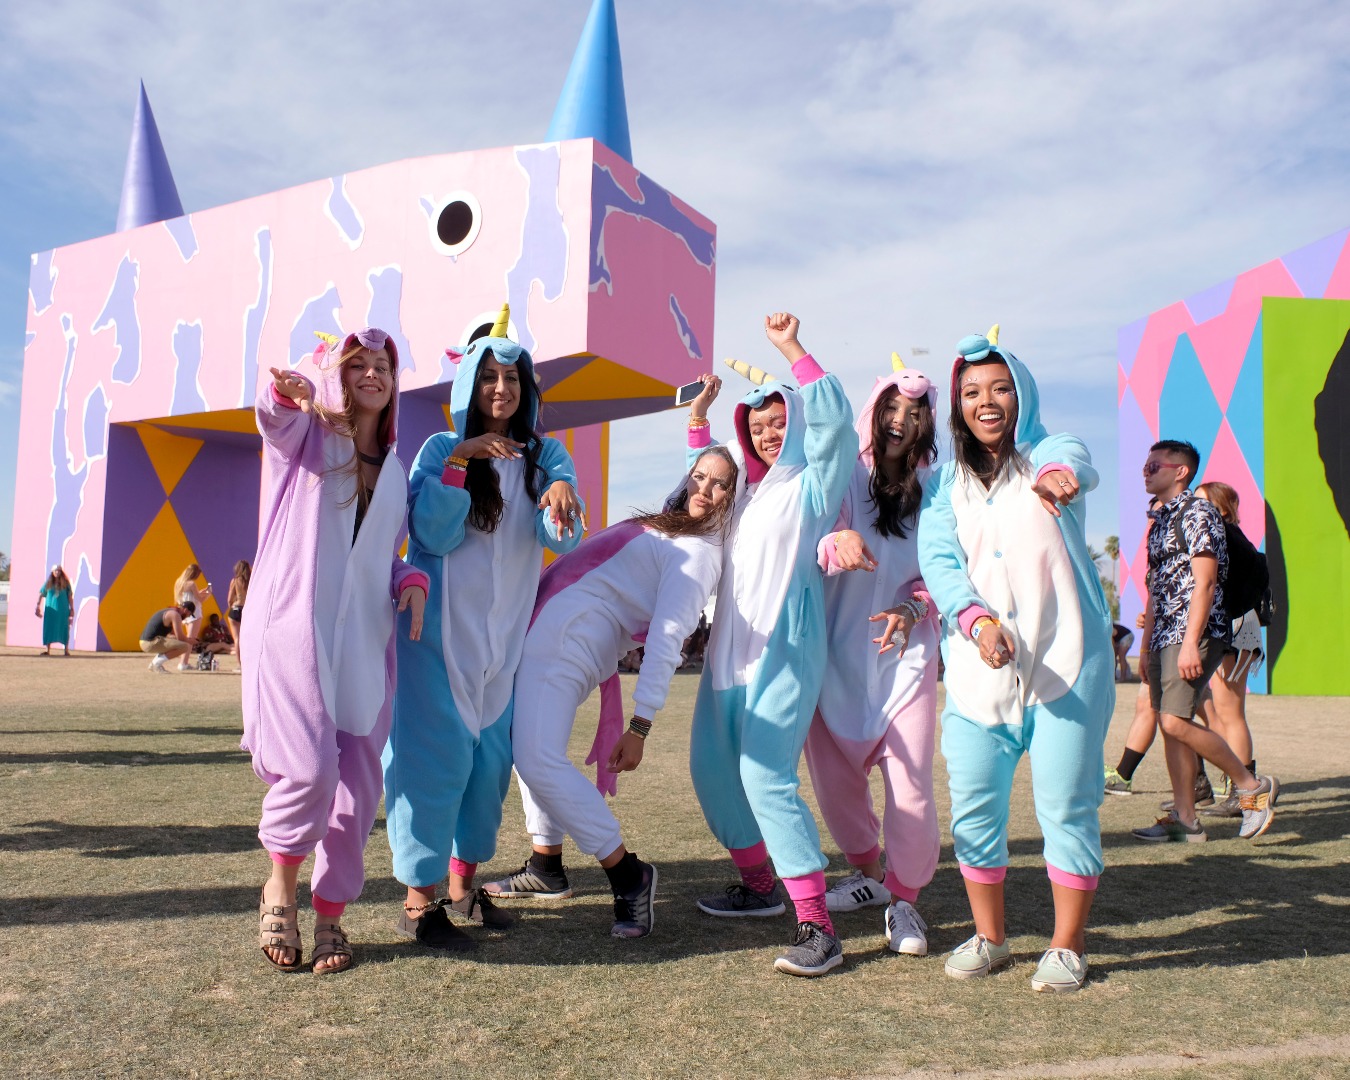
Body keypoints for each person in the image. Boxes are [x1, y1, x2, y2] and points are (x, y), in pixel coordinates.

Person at [918, 326, 1115, 994]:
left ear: (1021, 394)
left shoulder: (1047, 452)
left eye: (1000, 387)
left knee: (1066, 805)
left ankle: (1066, 946)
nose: (987, 399)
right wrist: (974, 621)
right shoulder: (946, 486)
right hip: (979, 674)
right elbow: (940, 564)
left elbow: (1076, 457)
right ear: (958, 405)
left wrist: (1063, 478)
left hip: (1068, 668)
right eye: (972, 391)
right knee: (974, 806)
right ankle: (991, 938)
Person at [383, 306, 584, 952]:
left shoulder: (544, 455)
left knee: (488, 771)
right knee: (432, 765)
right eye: (489, 377)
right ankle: (419, 903)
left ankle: (464, 891)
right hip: (439, 642)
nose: (501, 390)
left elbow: (562, 533)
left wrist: (558, 494)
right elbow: (431, 534)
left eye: (513, 379)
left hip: (503, 650)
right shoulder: (439, 450)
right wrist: (461, 459)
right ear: (469, 383)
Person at [488, 445, 738, 938]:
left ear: (734, 497)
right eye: (699, 476)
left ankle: (628, 874)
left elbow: (669, 637)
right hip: (556, 631)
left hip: (569, 641)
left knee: (537, 757)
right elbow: (697, 472)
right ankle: (546, 862)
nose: (704, 490)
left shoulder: (698, 554)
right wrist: (698, 421)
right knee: (531, 748)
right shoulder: (676, 527)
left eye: (720, 484)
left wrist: (641, 724)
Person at [242, 326, 428, 975]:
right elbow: (275, 420)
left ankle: (331, 917)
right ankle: (280, 890)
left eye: (382, 366)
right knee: (311, 770)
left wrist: (408, 580)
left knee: (357, 788)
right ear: (341, 377)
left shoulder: (398, 470)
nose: (373, 374)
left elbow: (377, 556)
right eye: (360, 366)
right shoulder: (310, 438)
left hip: (363, 642)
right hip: (295, 626)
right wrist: (289, 396)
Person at [686, 312, 858, 978]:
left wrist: (792, 350)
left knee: (765, 778)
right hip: (725, 665)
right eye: (757, 426)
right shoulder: (743, 498)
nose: (768, 432)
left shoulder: (812, 486)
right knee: (711, 775)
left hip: (783, 658)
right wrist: (699, 419)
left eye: (779, 422)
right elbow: (698, 483)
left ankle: (818, 926)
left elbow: (837, 426)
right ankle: (759, 886)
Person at [804, 357, 942, 957]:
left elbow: (945, 571)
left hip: (906, 660)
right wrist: (840, 543)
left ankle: (905, 899)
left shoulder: (937, 490)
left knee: (911, 788)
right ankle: (867, 874)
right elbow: (816, 540)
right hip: (833, 656)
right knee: (836, 788)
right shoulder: (843, 477)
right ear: (872, 412)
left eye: (914, 413)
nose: (899, 420)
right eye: (891, 407)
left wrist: (913, 609)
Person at [1130, 441, 1276, 845]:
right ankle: (1186, 819)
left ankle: (1250, 785)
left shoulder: (1199, 512)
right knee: (1171, 726)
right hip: (1163, 636)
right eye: (1144, 465)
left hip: (1193, 632)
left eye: (1154, 465)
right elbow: (1157, 591)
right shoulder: (1159, 521)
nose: (1145, 470)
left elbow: (1206, 580)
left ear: (1180, 471)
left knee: (1175, 721)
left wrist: (1192, 641)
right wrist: (1144, 650)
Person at [1187, 481, 1273, 821]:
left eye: (1202, 503)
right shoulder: (1232, 536)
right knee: (1221, 712)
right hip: (1242, 628)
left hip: (1236, 628)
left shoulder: (1222, 535)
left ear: (1221, 508)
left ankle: (1246, 791)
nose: (1194, 510)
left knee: (1230, 712)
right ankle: (1236, 787)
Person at [172, 564, 211, 671]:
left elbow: (191, 596)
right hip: (195, 613)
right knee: (191, 639)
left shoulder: (179, 583)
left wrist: (200, 592)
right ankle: (183, 663)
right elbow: (199, 600)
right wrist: (208, 593)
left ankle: (183, 662)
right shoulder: (192, 584)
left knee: (187, 638)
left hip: (185, 613)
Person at [139, 601, 194, 672]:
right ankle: (156, 664)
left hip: (144, 642)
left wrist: (186, 639)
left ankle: (154, 663)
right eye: (189, 615)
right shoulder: (175, 615)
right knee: (184, 646)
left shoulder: (170, 612)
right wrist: (191, 641)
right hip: (149, 643)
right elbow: (180, 638)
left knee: (177, 644)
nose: (187, 617)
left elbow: (173, 636)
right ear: (186, 610)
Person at [35, 566, 74, 656]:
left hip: (63, 610)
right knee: (49, 628)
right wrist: (38, 606)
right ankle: (47, 650)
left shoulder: (66, 583)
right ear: (52, 572)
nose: (57, 572)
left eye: (59, 571)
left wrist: (72, 608)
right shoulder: (48, 583)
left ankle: (66, 650)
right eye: (56, 571)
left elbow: (69, 597)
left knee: (64, 628)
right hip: (51, 611)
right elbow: (41, 594)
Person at [226, 560, 250, 657]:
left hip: (236, 608)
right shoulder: (252, 580)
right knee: (248, 637)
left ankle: (240, 664)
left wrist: (231, 606)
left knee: (237, 638)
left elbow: (229, 599)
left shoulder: (235, 581)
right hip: (247, 609)